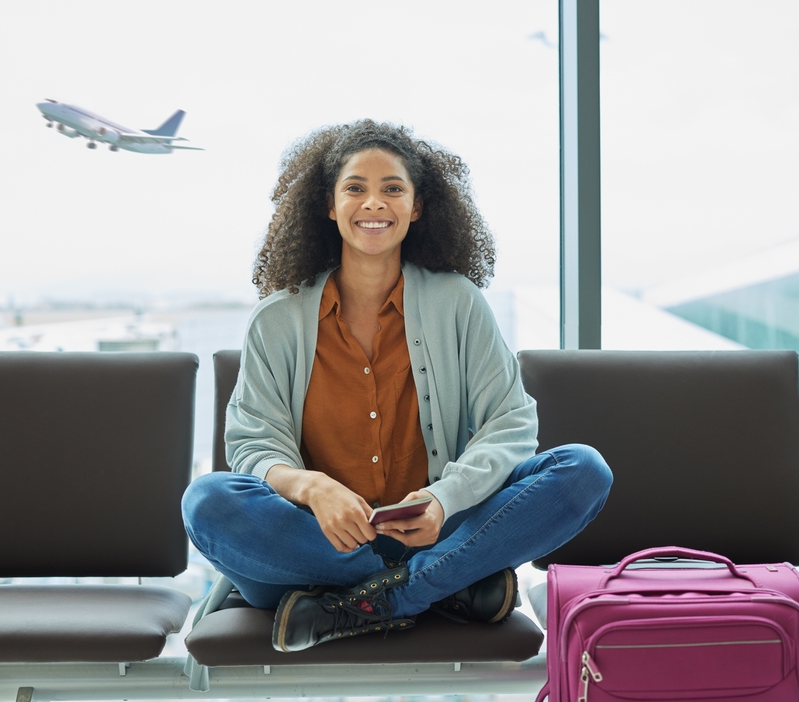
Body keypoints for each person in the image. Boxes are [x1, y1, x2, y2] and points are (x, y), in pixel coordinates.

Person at [181, 119, 612, 653]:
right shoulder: (276, 320)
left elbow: (510, 422)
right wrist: (313, 489)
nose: (374, 203)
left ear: (417, 206)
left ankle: (379, 599)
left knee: (582, 470)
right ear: (329, 205)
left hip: (442, 530)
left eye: (393, 189)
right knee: (206, 499)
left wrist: (441, 498)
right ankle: (448, 585)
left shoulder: (458, 303)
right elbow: (252, 443)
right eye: (355, 188)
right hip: (316, 545)